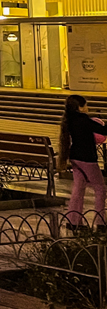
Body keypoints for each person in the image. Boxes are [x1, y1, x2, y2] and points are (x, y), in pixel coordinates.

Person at [58, 94, 107, 228]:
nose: (87, 107)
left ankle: (73, 221)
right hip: (87, 159)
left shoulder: (70, 120)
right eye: (85, 105)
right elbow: (103, 130)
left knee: (78, 189)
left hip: (75, 157)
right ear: (79, 108)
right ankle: (101, 222)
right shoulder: (84, 120)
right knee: (100, 188)